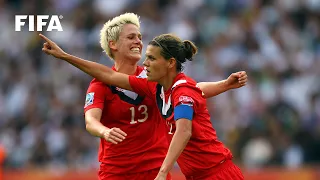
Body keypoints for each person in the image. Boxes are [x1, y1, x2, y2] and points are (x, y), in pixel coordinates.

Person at [40, 25, 246, 180]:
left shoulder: (182, 91)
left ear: (170, 63)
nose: (145, 63)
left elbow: (184, 131)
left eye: (151, 59)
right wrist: (65, 56)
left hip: (217, 174)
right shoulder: (156, 86)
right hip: (191, 175)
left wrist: (163, 172)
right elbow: (107, 76)